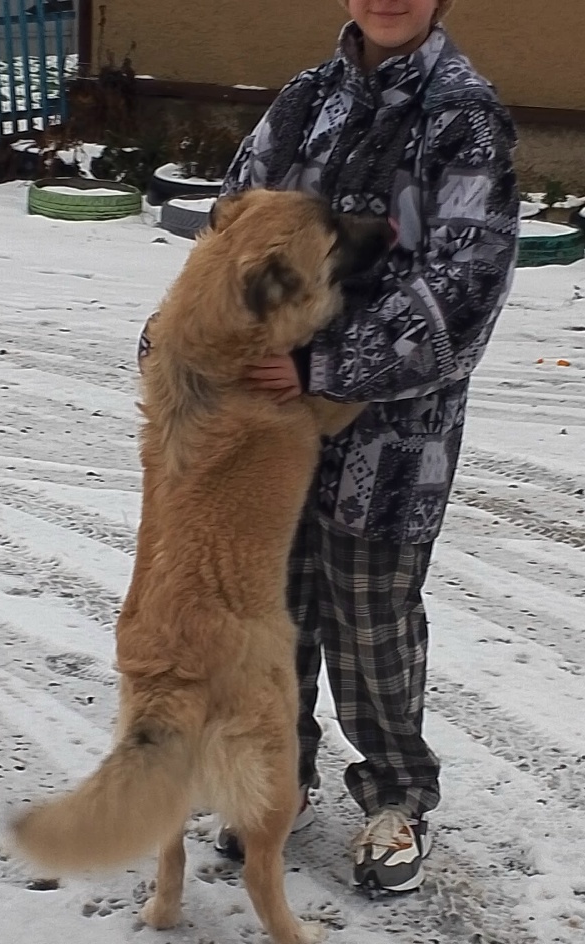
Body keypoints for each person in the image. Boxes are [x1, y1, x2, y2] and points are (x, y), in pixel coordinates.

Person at [213, 0, 520, 892]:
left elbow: (466, 286)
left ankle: (396, 797)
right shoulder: (306, 100)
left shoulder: (464, 116)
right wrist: (215, 339)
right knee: (274, 614)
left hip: (393, 437)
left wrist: (324, 363)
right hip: (271, 423)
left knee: (372, 622)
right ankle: (283, 777)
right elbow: (233, 230)